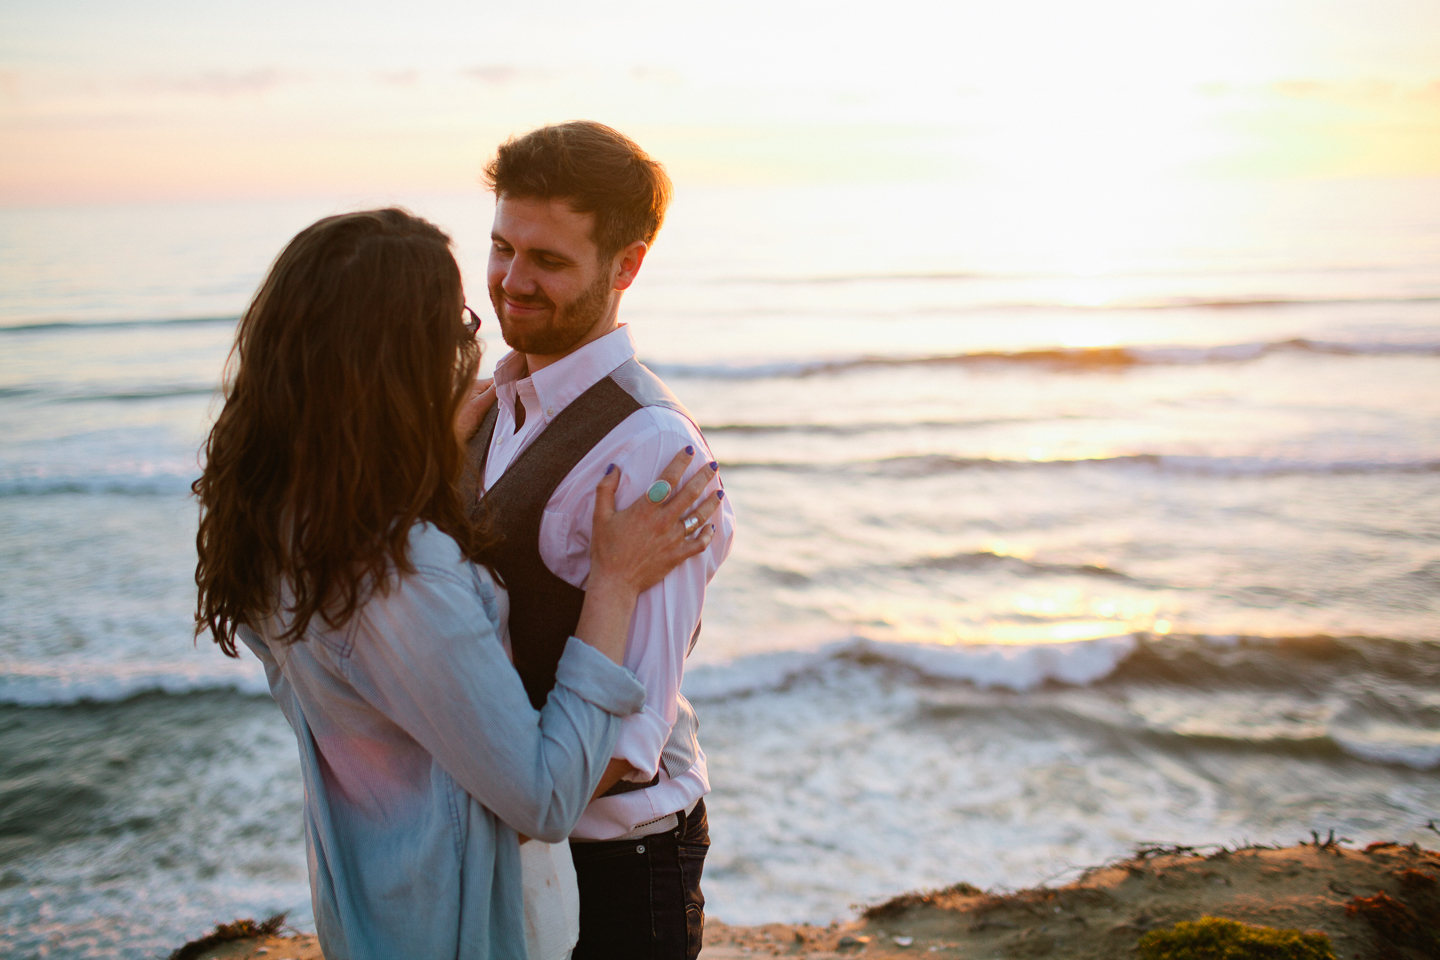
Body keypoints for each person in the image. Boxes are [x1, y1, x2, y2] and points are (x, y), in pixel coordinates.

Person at [191, 207, 723, 959]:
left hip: (370, 894)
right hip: (453, 922)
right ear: (399, 362)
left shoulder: (269, 517)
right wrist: (615, 580)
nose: (469, 339)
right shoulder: (394, 570)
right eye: (454, 325)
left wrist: (419, 467)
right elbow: (545, 795)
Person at [470, 121, 736, 960]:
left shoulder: (652, 450)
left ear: (627, 266)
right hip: (513, 845)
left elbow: (630, 744)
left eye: (548, 261)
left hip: (613, 864)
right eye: (503, 247)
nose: (512, 282)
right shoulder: (494, 405)